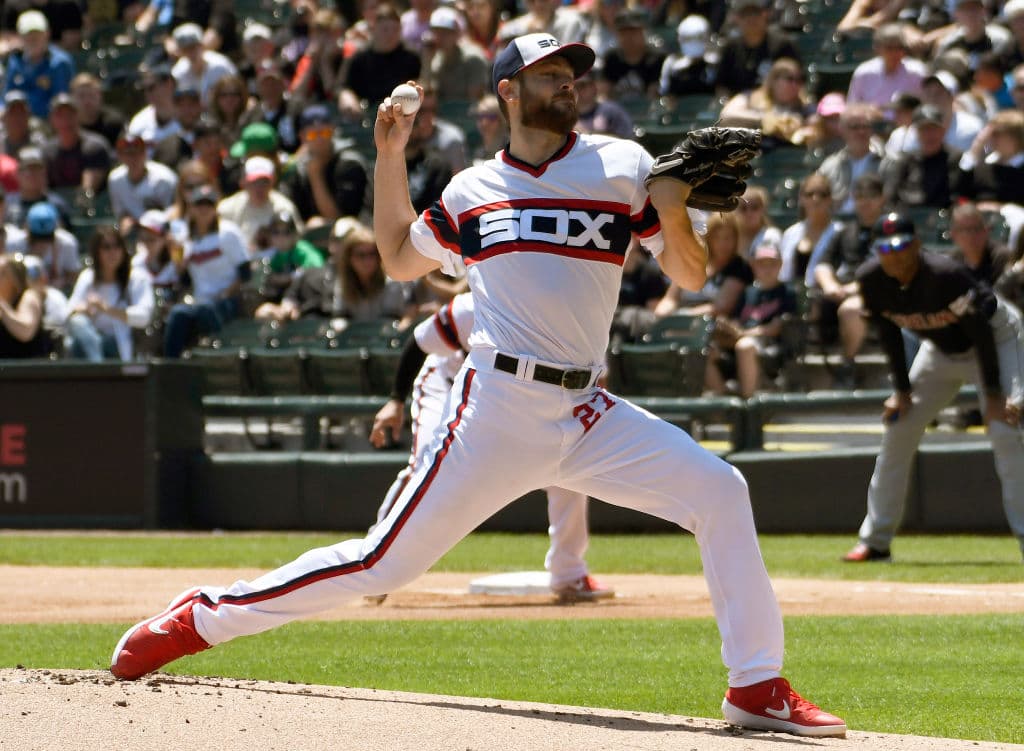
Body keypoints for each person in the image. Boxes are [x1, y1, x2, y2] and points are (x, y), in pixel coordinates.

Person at [109, 33, 847, 739]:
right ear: (508, 93)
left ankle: (755, 684)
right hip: (498, 408)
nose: (567, 85)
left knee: (721, 489)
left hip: (587, 408)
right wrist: (389, 154)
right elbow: (397, 257)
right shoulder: (472, 190)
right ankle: (200, 618)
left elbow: (689, 272)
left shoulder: (622, 164)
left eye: (571, 75)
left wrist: (673, 200)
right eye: (549, 75)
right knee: (382, 563)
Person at [368, 292, 615, 602]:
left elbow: (597, 381)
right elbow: (418, 344)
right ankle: (375, 560)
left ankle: (569, 574)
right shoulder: (474, 305)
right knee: (425, 467)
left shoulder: (574, 314)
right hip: (444, 384)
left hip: (514, 397)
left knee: (568, 471)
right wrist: (395, 400)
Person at [843, 211, 1024, 562]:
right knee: (898, 428)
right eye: (886, 249)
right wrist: (902, 391)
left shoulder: (944, 274)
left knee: (1006, 432)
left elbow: (981, 332)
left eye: (901, 247)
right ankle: (875, 541)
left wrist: (993, 395)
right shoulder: (870, 279)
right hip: (940, 349)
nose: (894, 257)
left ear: (916, 246)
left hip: (997, 338)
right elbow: (888, 332)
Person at [257, 216, 412, 324]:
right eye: (360, 255)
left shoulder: (391, 281)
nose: (366, 261)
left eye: (371, 254)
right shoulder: (314, 274)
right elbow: (292, 297)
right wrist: (287, 307)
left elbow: (392, 323)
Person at [812, 173, 888, 387]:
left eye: (871, 196)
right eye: (860, 196)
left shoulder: (890, 229)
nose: (865, 202)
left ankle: (847, 365)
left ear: (882, 198)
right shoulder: (845, 231)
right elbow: (822, 264)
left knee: (850, 310)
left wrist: (856, 288)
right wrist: (830, 285)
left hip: (880, 293)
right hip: (843, 291)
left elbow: (892, 269)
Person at [162, 184, 250, 357]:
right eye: (199, 204)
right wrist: (175, 252)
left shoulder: (228, 233)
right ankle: (171, 365)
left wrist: (225, 294)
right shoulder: (186, 237)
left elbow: (245, 273)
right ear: (191, 208)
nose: (204, 209)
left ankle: (222, 357)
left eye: (208, 204)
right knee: (178, 313)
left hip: (227, 300)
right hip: (200, 300)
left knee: (206, 310)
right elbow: (182, 276)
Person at [704, 241, 796, 398]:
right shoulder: (748, 292)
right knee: (705, 350)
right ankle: (724, 399)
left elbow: (776, 328)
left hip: (767, 344)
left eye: (772, 264)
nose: (767, 269)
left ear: (780, 264)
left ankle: (748, 403)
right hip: (739, 339)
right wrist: (726, 327)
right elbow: (736, 321)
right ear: (753, 265)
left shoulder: (787, 292)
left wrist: (743, 334)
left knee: (745, 346)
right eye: (761, 264)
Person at [64, 227, 155, 361]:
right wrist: (84, 309)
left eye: (117, 246)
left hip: (121, 342)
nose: (113, 252)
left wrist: (107, 309)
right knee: (78, 323)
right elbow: (68, 313)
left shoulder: (137, 278)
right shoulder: (88, 277)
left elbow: (144, 317)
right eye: (106, 247)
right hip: (90, 337)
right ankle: (98, 364)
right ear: (97, 252)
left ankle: (97, 366)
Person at [278, 104, 370, 225]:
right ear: (302, 137)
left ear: (333, 131)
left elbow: (342, 220)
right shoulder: (299, 169)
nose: (319, 139)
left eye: (324, 133)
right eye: (313, 135)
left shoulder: (350, 164)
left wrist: (316, 175)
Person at [655, 212, 752, 319]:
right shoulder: (694, 261)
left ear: (736, 239)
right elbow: (670, 298)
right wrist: (661, 315)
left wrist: (681, 316)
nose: (722, 243)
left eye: (728, 238)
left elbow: (720, 307)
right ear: (709, 238)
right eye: (717, 237)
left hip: (709, 323)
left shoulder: (739, 267)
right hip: (678, 317)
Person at [719, 57, 813, 148]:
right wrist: (765, 119)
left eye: (800, 80)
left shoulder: (805, 107)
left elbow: (814, 128)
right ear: (774, 80)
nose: (795, 84)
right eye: (790, 79)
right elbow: (726, 115)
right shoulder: (751, 97)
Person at [714, 0, 800, 98]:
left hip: (775, 102)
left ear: (765, 14)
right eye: (745, 14)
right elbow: (722, 86)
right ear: (737, 18)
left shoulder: (782, 44)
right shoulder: (731, 47)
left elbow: (796, 80)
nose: (751, 18)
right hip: (739, 103)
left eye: (756, 13)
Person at [2, 10, 73, 119]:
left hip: (48, 121)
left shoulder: (59, 63)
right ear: (20, 36)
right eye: (28, 35)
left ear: (47, 33)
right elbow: (6, 96)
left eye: (38, 34)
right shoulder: (15, 61)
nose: (33, 39)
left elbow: (61, 103)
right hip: (17, 120)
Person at [845, 23, 927, 117]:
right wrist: (867, 110)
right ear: (877, 48)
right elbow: (852, 106)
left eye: (899, 47)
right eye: (890, 48)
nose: (895, 53)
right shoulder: (864, 73)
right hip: (873, 124)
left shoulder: (917, 71)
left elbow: (926, 106)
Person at [107, 131, 179, 234]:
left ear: (145, 153)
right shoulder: (115, 179)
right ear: (120, 156)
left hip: (160, 230)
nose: (133, 158)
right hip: (133, 230)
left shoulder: (164, 178)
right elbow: (121, 213)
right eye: (128, 154)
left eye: (137, 153)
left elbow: (175, 211)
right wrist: (126, 221)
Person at [779, 173, 839, 287]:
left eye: (822, 194)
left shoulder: (840, 232)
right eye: (809, 194)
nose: (816, 199)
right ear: (801, 198)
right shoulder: (790, 233)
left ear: (830, 199)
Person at [0, 253, 47, 358]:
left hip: (28, 365)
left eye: (2, 274)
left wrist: (2, 306)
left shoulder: (29, 296)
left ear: (15, 280)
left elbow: (25, 332)